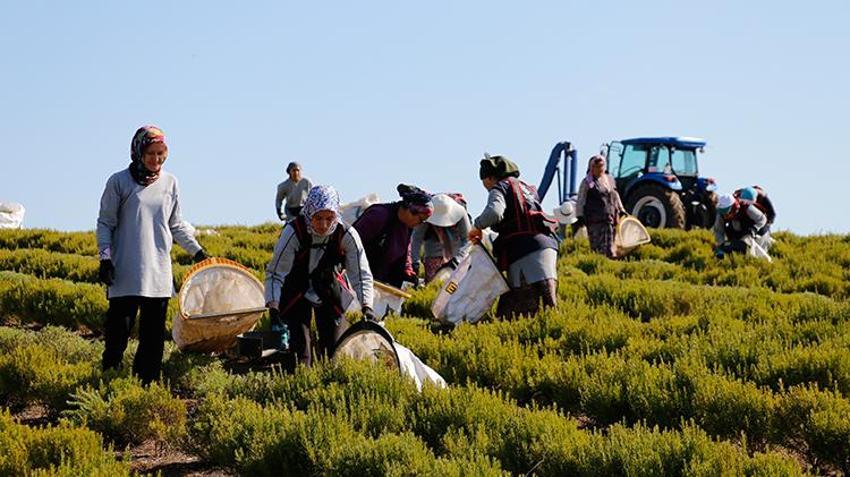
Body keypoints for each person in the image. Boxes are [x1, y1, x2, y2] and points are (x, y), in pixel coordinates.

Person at [96, 125, 208, 384]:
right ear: (138, 152)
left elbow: (176, 224)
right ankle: (109, 383)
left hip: (158, 276)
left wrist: (197, 251)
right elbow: (105, 223)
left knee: (153, 342)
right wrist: (105, 258)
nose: (156, 160)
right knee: (117, 338)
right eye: (151, 153)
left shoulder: (171, 182)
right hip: (125, 273)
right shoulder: (118, 182)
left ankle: (145, 388)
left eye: (161, 154)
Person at [265, 185, 375, 366]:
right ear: (309, 213)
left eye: (329, 218)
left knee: (334, 351)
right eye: (318, 218)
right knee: (300, 353)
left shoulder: (346, 234)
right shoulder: (293, 232)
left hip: (328, 289)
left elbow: (361, 273)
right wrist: (274, 306)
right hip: (296, 290)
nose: (324, 225)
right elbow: (276, 273)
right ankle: (299, 383)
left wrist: (367, 306)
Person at [469, 154, 559, 318]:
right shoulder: (527, 188)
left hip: (524, 250)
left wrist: (477, 226)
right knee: (547, 303)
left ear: (489, 178)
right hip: (547, 246)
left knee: (515, 311)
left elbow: (494, 213)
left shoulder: (500, 188)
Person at [352, 184, 433, 288]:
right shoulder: (379, 215)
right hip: (358, 278)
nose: (420, 224)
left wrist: (408, 270)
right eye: (421, 219)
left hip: (379, 282)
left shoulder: (407, 228)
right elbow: (351, 243)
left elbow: (405, 253)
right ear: (410, 210)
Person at [573, 155, 627, 258]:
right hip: (594, 221)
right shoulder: (587, 183)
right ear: (591, 167)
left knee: (610, 247)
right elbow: (581, 199)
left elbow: (615, 195)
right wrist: (579, 216)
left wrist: (621, 209)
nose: (599, 169)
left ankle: (609, 266)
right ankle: (598, 264)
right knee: (597, 249)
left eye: (601, 166)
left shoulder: (609, 180)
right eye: (596, 166)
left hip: (610, 219)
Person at [410, 193, 471, 283]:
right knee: (433, 286)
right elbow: (416, 239)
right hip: (433, 254)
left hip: (456, 254)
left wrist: (458, 258)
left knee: (454, 288)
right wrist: (415, 262)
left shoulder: (461, 212)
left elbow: (467, 239)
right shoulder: (426, 212)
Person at [713, 193, 772, 258]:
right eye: (723, 213)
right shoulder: (721, 214)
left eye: (727, 212)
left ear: (734, 206)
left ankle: (764, 262)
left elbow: (762, 219)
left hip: (758, 233)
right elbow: (718, 231)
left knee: (751, 250)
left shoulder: (747, 207)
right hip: (739, 234)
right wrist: (722, 244)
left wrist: (754, 228)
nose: (725, 216)